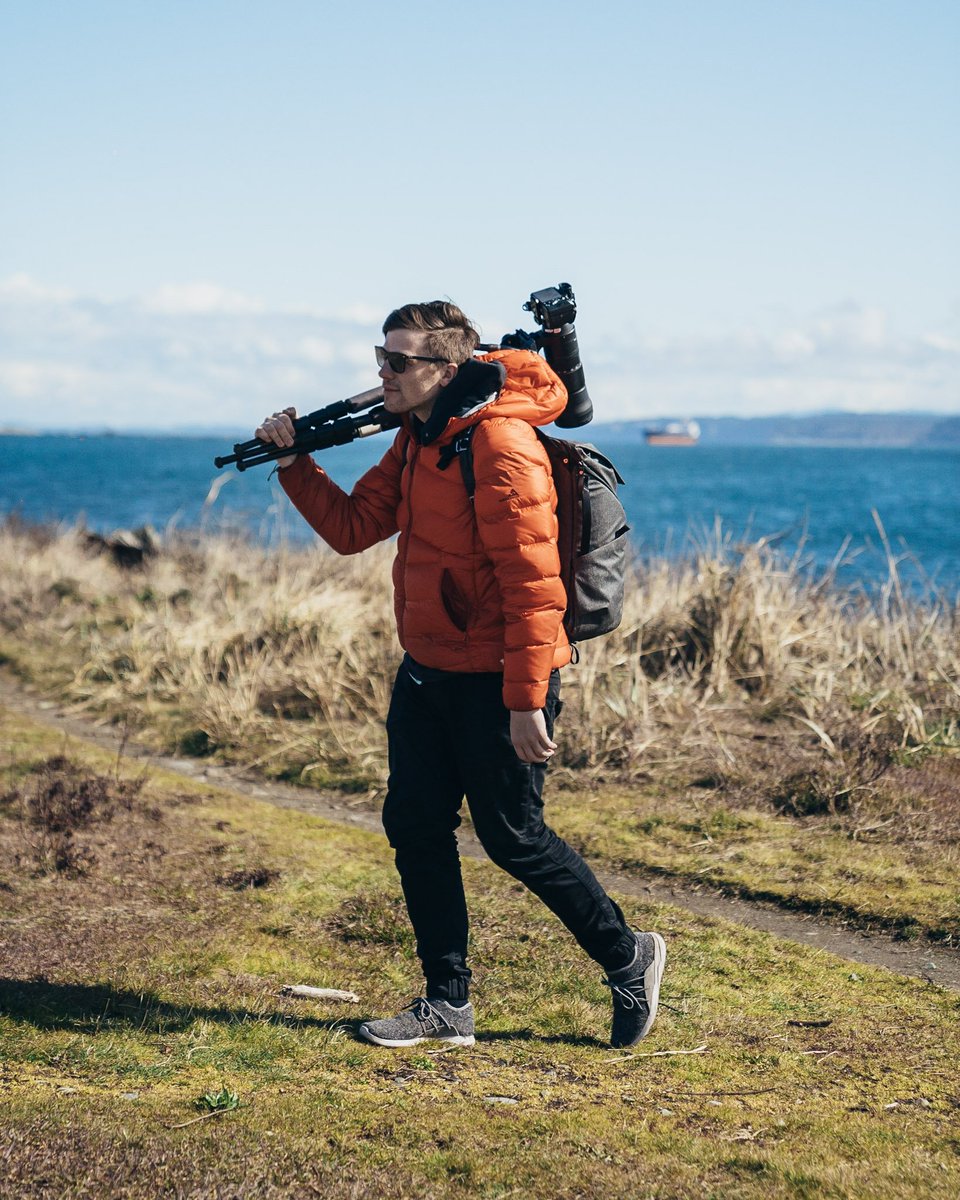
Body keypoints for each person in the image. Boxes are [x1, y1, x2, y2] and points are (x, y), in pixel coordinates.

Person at [255, 300, 665, 1048]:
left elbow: (535, 589)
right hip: (428, 671)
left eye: (398, 362)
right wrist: (294, 462)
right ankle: (447, 1005)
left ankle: (628, 954)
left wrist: (524, 700)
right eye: (381, 357)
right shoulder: (420, 438)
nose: (383, 373)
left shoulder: (500, 447)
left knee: (514, 838)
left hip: (497, 678)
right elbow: (353, 530)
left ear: (445, 370)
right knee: (415, 826)